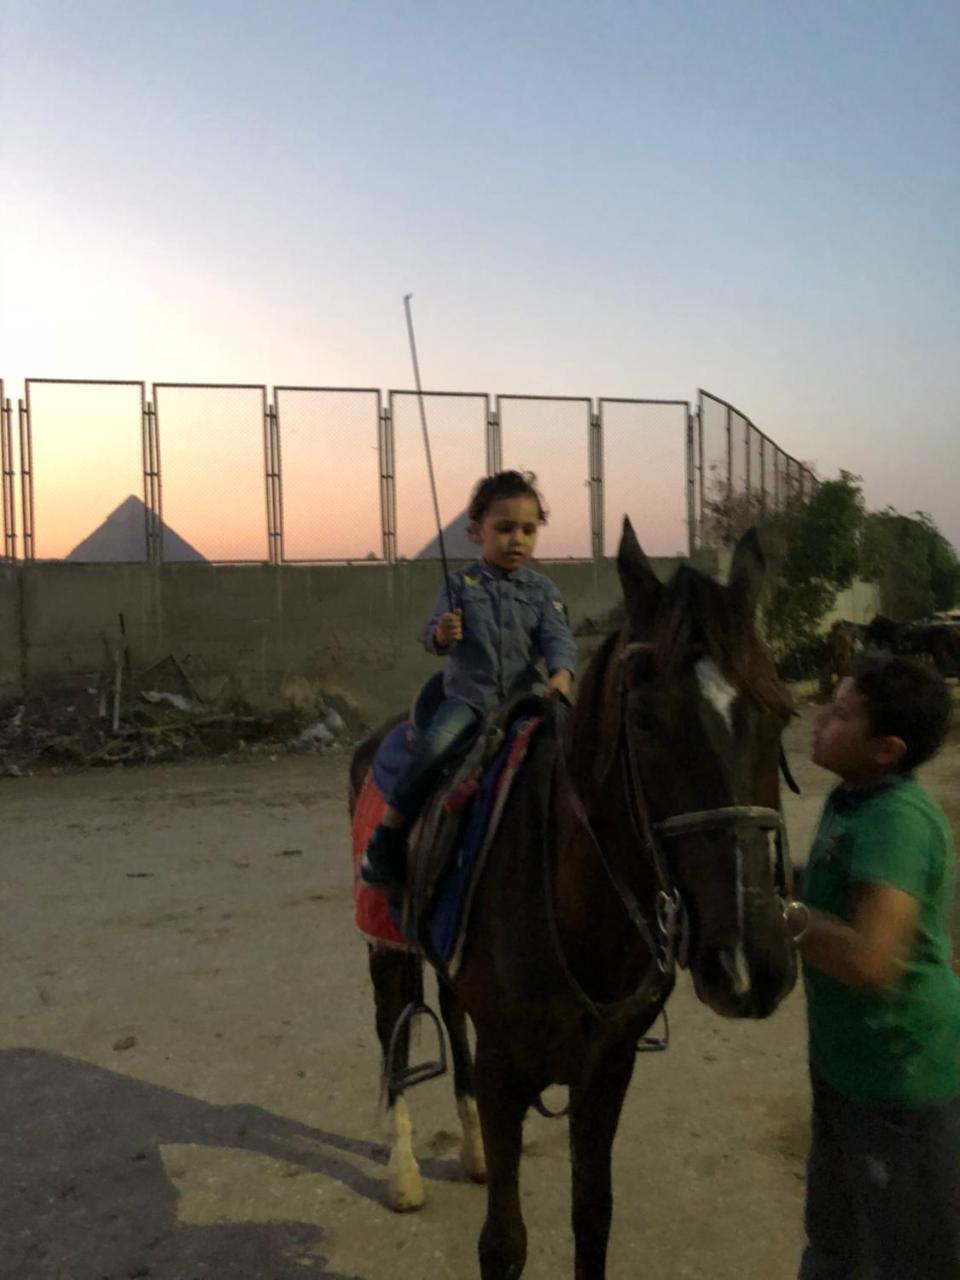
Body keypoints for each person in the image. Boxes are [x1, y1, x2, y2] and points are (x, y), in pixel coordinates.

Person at [780, 655, 960, 1279]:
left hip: (898, 1082)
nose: (822, 717)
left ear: (886, 750)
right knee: (834, 1242)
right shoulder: (853, 798)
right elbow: (834, 896)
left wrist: (781, 915)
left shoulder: (896, 820)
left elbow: (871, 961)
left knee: (907, 1257)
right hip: (845, 1067)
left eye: (842, 713)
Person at [359, 469, 577, 893]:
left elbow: (558, 638)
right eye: (505, 528)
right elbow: (431, 638)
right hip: (468, 701)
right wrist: (443, 635)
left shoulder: (543, 590)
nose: (518, 539)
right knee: (433, 750)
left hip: (525, 700)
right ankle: (385, 840)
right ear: (477, 533)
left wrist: (562, 675)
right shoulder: (459, 585)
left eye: (529, 530)